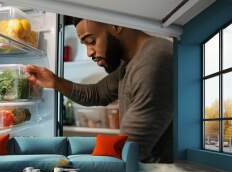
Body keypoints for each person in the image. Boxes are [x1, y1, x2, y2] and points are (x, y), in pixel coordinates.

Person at [25, 17, 173, 163]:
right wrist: (55, 82)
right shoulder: (132, 61)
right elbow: (97, 93)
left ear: (116, 24)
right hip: (144, 171)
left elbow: (128, 147)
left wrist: (67, 165)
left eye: (91, 41)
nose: (89, 52)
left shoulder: (154, 60)